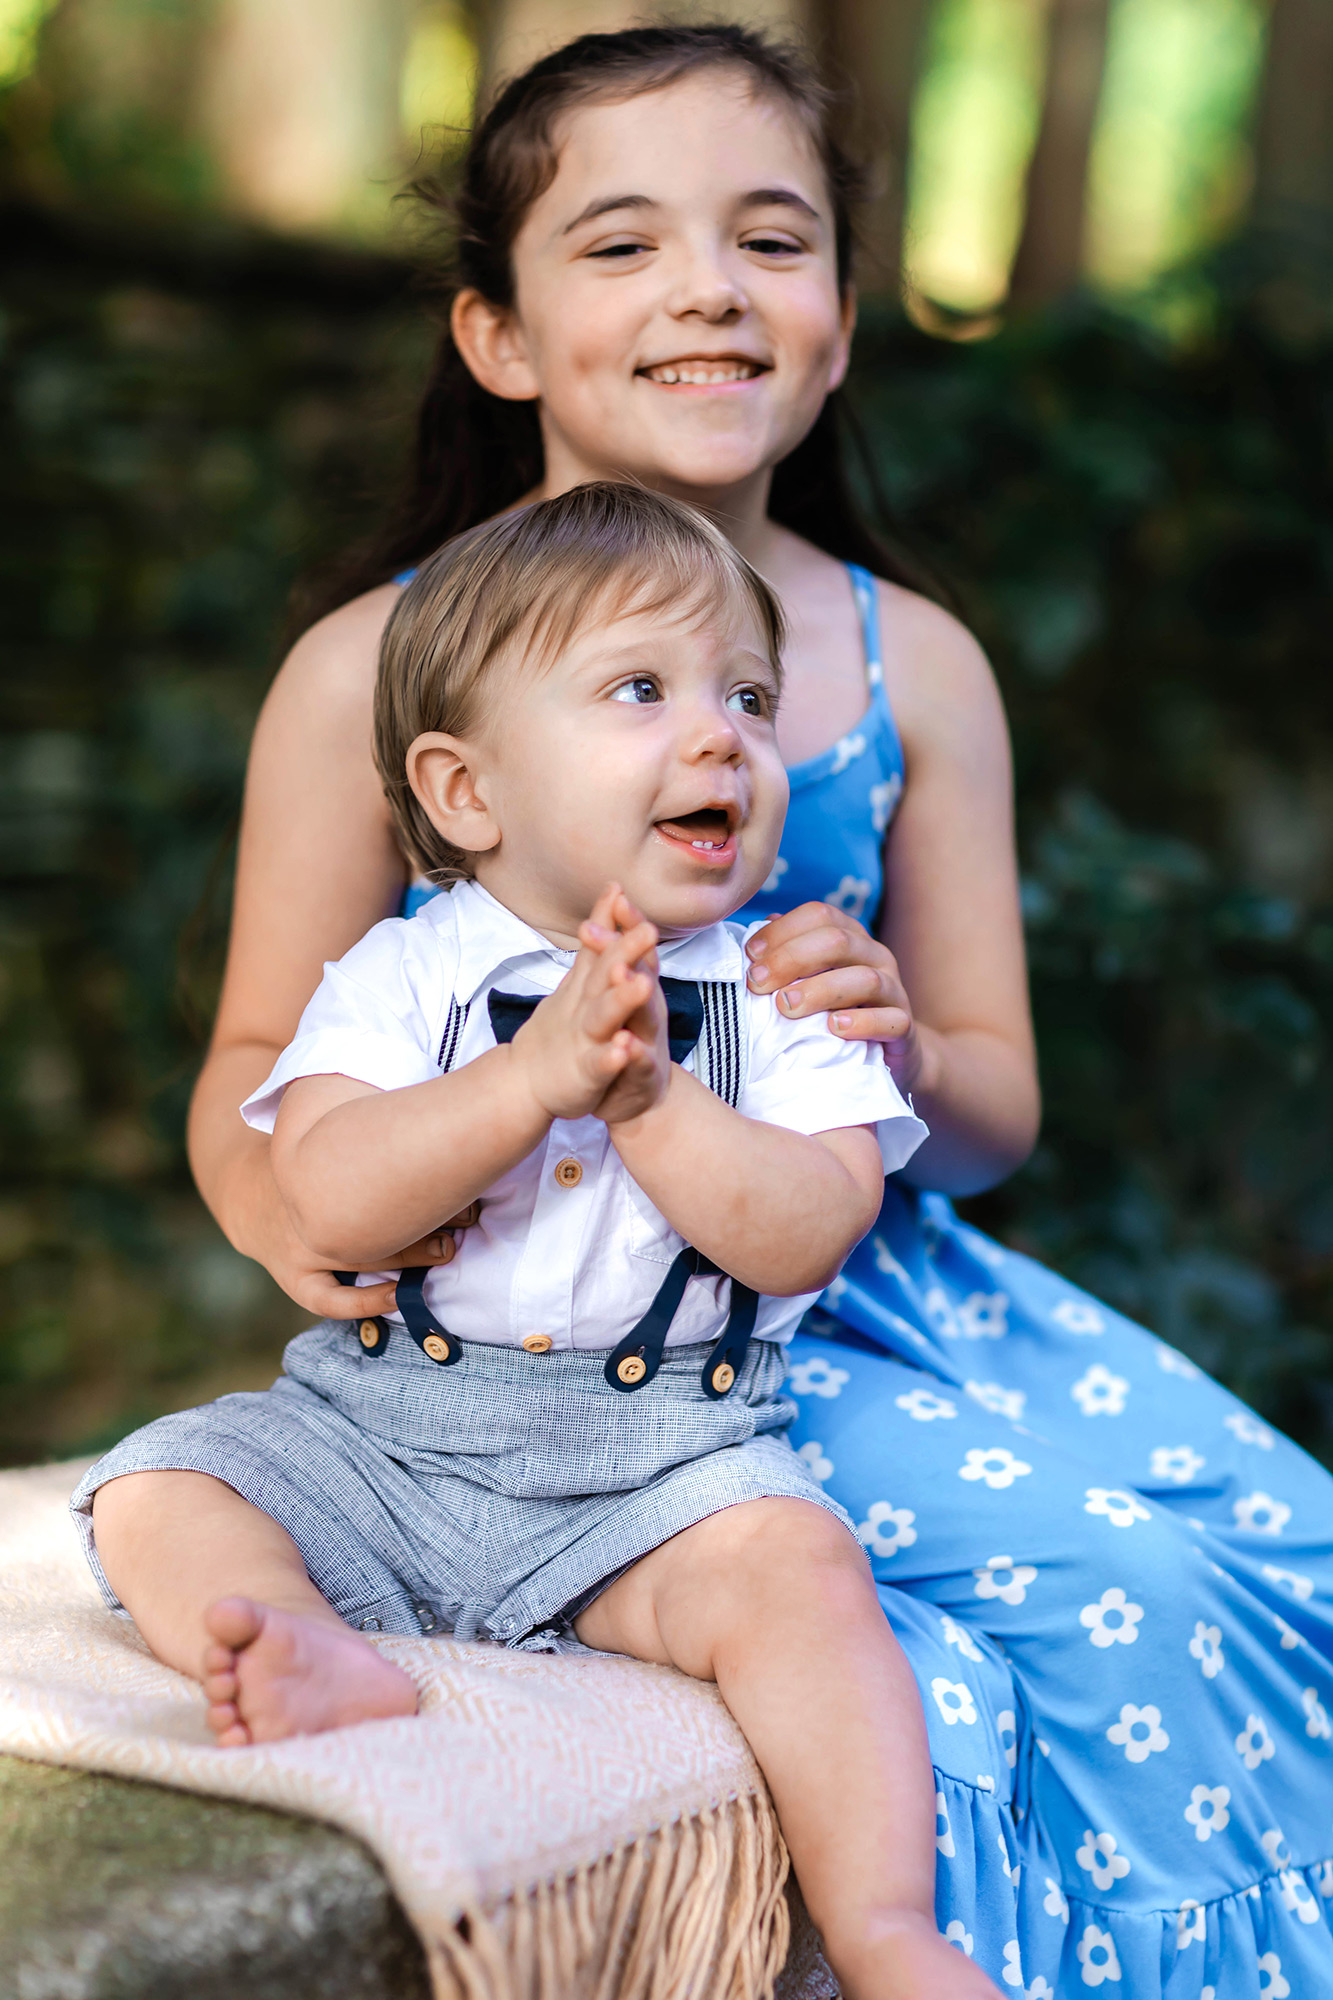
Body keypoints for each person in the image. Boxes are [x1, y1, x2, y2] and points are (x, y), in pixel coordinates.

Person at [127, 22, 1333, 1996]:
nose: (706, 287)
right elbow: (252, 1074)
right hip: (531, 1298)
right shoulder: (370, 672)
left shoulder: (905, 662)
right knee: (1092, 1604)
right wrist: (288, 1209)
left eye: (768, 239)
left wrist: (902, 1052)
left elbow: (996, 1104)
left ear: (841, 324)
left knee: (1245, 1563)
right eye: (619, 246)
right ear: (497, 334)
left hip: (864, 1286)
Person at [76, 484, 1002, 2000]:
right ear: (465, 791)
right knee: (163, 1487)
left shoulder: (781, 993)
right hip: (381, 1436)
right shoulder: (397, 974)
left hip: (659, 1471)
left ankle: (882, 1921)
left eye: (749, 701)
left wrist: (646, 1100)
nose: (721, 738)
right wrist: (527, 1079)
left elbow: (806, 1230)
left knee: (802, 1577)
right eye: (642, 691)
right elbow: (323, 1194)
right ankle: (312, 1646)